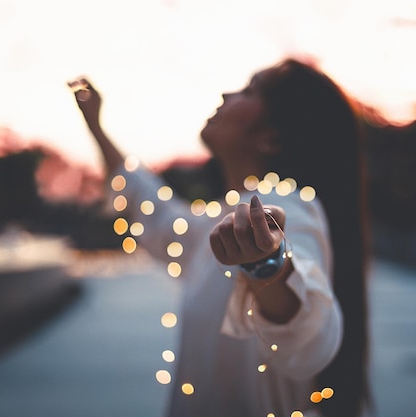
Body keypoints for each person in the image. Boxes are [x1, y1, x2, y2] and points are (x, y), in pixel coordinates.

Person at [71, 57, 372, 417]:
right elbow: (154, 208)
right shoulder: (216, 222)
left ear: (271, 136)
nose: (227, 93)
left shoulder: (288, 207)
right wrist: (96, 126)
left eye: (249, 90)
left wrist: (268, 264)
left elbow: (308, 326)